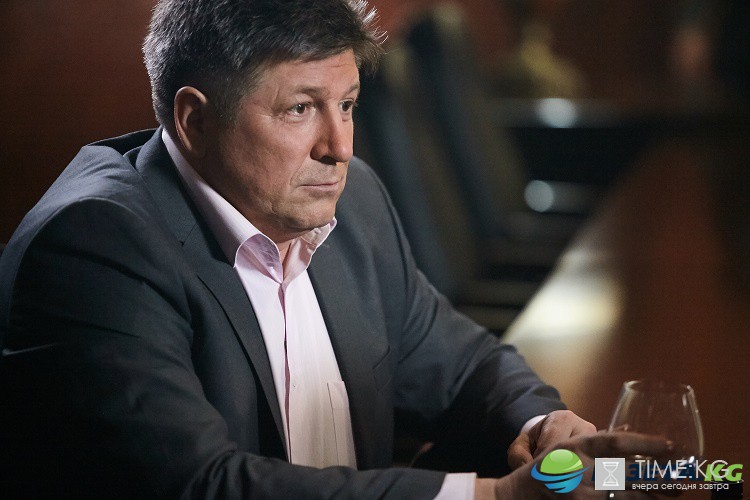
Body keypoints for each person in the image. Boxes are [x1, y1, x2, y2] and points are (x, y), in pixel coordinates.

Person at [0, 0, 669, 498]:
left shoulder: (353, 201)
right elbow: (203, 485)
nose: (339, 148)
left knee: (690, 477)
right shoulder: (94, 249)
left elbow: (459, 363)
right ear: (195, 120)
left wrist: (546, 423)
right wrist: (494, 497)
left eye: (346, 105)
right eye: (300, 109)